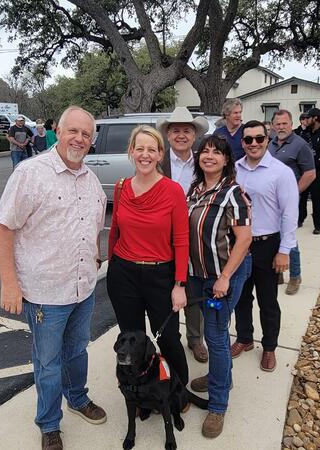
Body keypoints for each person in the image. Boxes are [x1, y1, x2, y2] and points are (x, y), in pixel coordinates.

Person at [0, 106, 108, 450]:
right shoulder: (31, 173)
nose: (79, 139)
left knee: (78, 351)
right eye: (73, 131)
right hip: (45, 293)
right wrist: (9, 283)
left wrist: (96, 254)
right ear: (57, 130)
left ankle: (78, 398)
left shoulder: (90, 179)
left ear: (92, 140)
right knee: (48, 362)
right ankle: (49, 424)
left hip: (82, 287)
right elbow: (2, 228)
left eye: (86, 134)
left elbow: (94, 223)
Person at [106, 125, 191, 397]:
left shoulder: (173, 191)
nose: (145, 155)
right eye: (139, 148)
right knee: (132, 340)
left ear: (160, 155)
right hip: (124, 275)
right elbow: (115, 233)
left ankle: (179, 389)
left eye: (151, 149)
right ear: (131, 152)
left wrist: (180, 284)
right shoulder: (121, 188)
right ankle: (139, 390)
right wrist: (111, 267)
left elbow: (181, 240)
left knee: (168, 338)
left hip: (160, 276)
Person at [184, 134, 252, 438]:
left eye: (216, 152)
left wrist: (224, 277)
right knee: (215, 332)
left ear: (227, 160)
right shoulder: (195, 189)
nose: (209, 156)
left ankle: (218, 403)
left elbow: (245, 239)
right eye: (205, 151)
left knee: (216, 334)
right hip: (199, 274)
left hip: (224, 274)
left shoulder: (234, 193)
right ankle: (218, 376)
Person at [231, 120, 299, 372]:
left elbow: (290, 214)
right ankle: (245, 338)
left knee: (268, 300)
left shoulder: (281, 172)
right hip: (239, 244)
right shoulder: (235, 169)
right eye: (248, 140)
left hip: (267, 244)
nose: (254, 144)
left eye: (259, 138)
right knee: (240, 297)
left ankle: (269, 347)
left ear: (267, 140)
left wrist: (284, 250)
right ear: (243, 142)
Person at [157, 106, 210, 363]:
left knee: (194, 287)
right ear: (167, 135)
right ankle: (169, 339)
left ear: (194, 135)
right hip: (163, 237)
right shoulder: (156, 161)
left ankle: (195, 339)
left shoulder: (205, 160)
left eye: (186, 130)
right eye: (175, 130)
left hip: (195, 235)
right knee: (166, 287)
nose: (181, 135)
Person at [269, 110, 315, 296]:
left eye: (284, 124)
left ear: (291, 124)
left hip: (287, 201)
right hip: (270, 201)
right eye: (277, 124)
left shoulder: (300, 145)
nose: (281, 127)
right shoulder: (270, 143)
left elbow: (310, 173)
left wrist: (292, 194)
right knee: (273, 237)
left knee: (289, 239)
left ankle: (295, 276)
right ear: (273, 125)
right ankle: (278, 272)